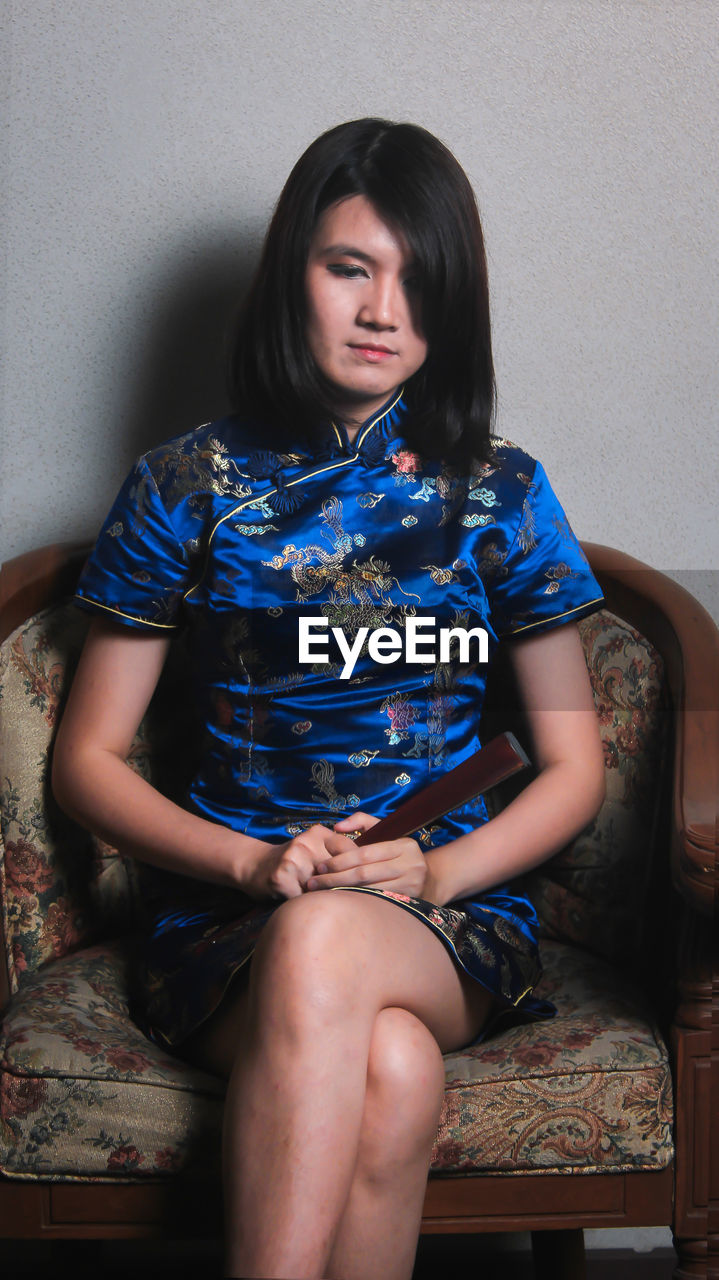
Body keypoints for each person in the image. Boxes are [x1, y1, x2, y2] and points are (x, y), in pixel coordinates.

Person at [52, 118, 606, 1280]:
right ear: (289, 273)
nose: (380, 310)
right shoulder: (182, 484)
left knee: (329, 952)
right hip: (227, 914)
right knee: (390, 1064)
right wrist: (251, 865)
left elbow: (571, 767)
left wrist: (438, 870)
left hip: (444, 916)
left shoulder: (498, 489)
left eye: (417, 280)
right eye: (348, 266)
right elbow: (88, 760)